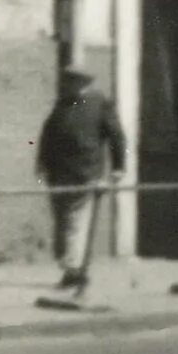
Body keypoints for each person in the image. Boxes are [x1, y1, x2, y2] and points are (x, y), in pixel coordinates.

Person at [35, 67, 127, 292]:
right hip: (58, 174)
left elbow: (117, 136)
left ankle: (73, 271)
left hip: (86, 172)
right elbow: (47, 134)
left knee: (75, 223)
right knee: (63, 222)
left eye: (73, 82)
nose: (67, 85)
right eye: (67, 81)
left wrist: (118, 167)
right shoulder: (62, 104)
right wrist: (41, 163)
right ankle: (71, 268)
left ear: (85, 83)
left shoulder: (99, 103)